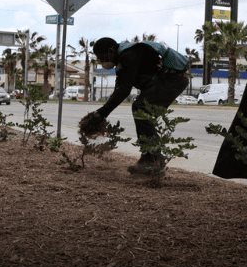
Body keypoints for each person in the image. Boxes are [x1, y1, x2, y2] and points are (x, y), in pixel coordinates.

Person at [79, 38, 189, 176]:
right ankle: (151, 158)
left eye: (102, 56)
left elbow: (124, 91)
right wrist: (101, 114)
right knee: (142, 111)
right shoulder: (122, 60)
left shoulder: (129, 55)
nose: (101, 61)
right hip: (167, 79)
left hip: (174, 79)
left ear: (111, 50)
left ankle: (152, 159)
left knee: (141, 109)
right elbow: (119, 89)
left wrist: (101, 114)